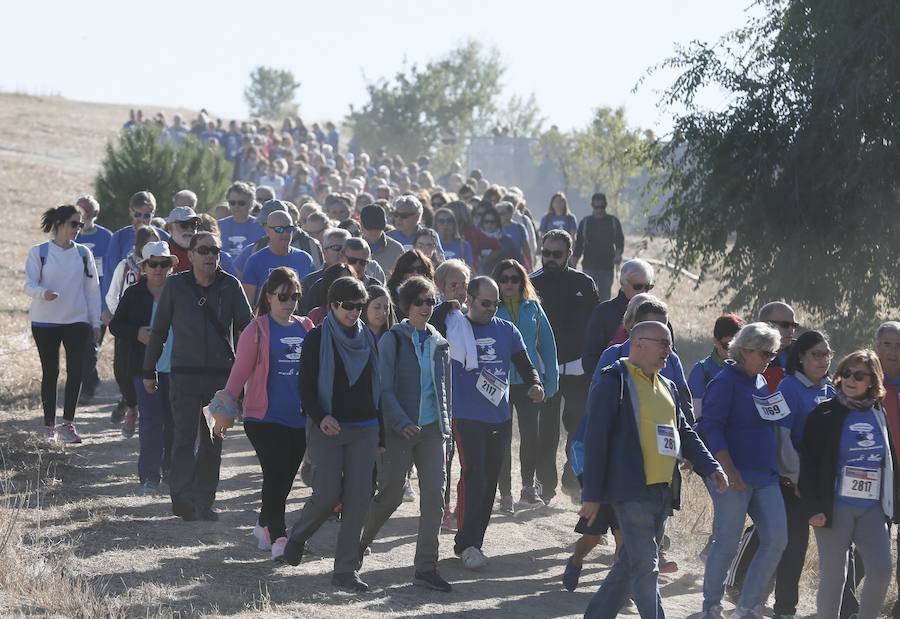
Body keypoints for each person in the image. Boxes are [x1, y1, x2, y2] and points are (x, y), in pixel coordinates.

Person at [579, 321, 726, 618]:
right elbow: (595, 442)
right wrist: (592, 494)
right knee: (647, 565)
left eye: (670, 345)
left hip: (662, 491)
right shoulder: (613, 382)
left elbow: (685, 432)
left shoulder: (667, 385)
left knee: (629, 564)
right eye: (663, 344)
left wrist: (711, 466)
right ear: (638, 344)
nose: (669, 351)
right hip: (630, 490)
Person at [277, 277, 383, 594]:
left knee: (358, 500)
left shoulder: (369, 339)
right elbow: (306, 388)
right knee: (326, 494)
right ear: (333, 305)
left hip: (364, 429)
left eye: (359, 306)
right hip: (328, 427)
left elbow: (376, 389)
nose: (354, 312)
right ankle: (297, 536)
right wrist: (322, 417)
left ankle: (345, 571)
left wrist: (381, 436)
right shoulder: (316, 339)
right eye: (347, 306)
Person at [143, 232, 253, 521]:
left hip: (221, 379)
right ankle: (181, 498)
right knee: (183, 436)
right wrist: (148, 369)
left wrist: (250, 374)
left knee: (213, 440)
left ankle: (204, 501)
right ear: (189, 255)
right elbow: (159, 330)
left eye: (215, 250)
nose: (210, 255)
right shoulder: (176, 285)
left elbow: (249, 329)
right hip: (183, 375)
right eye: (203, 250)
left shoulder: (231, 286)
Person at [359, 276, 452, 592]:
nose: (426, 308)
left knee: (434, 499)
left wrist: (446, 427)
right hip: (400, 431)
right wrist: (399, 422)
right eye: (419, 302)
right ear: (407, 306)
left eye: (430, 302)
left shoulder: (440, 342)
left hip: (431, 431)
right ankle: (358, 545)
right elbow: (383, 389)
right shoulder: (393, 340)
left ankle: (426, 568)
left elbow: (443, 390)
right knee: (391, 496)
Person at [220, 267, 314, 560]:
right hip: (263, 418)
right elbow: (239, 373)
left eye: (295, 296)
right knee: (274, 474)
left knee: (285, 478)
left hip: (298, 417)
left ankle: (263, 523)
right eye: (283, 296)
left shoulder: (306, 326)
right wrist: (224, 408)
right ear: (269, 297)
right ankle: (279, 537)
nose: (289, 302)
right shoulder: (256, 329)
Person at [450, 277, 544, 569]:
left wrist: (535, 384)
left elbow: (525, 364)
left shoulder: (506, 330)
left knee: (489, 481)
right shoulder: (453, 328)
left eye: (496, 303)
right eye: (485, 303)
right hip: (465, 416)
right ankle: (465, 543)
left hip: (499, 417)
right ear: (469, 299)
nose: (492, 309)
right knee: (473, 475)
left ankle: (475, 541)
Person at [697, 322, 788, 619]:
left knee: (777, 538)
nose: (768, 360)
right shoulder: (725, 381)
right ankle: (711, 605)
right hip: (734, 476)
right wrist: (728, 467)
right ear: (744, 350)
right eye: (764, 353)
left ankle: (747, 606)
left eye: (772, 355)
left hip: (765, 475)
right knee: (726, 540)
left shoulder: (760, 381)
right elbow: (711, 426)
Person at [799, 350, 895, 619]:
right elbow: (808, 464)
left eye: (859, 375)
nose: (851, 379)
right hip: (833, 506)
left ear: (872, 381)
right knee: (834, 577)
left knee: (881, 570)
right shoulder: (825, 413)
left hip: (871, 508)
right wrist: (812, 507)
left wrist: (893, 504)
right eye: (847, 373)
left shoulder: (878, 413)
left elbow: (888, 460)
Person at [530, 230, 600, 502]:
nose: (549, 259)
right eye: (545, 253)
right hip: (546, 369)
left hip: (578, 369)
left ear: (569, 254)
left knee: (578, 427)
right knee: (546, 430)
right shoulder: (532, 283)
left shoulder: (585, 283)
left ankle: (572, 479)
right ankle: (545, 486)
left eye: (556, 254)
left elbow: (595, 325)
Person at [771, 330, 836, 619]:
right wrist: (798, 481)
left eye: (827, 354)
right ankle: (784, 610)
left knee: (838, 550)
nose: (823, 360)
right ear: (801, 357)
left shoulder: (831, 389)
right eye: (816, 355)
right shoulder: (788, 388)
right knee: (793, 549)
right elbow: (782, 440)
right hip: (793, 484)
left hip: (824, 485)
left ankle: (841, 610)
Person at [25, 205, 101, 443]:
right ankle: (50, 427)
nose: (77, 229)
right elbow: (28, 284)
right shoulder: (39, 252)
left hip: (76, 321)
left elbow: (92, 290)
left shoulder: (83, 254)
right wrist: (42, 293)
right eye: (73, 224)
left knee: (76, 371)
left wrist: (95, 322)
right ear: (59, 224)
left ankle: (69, 424)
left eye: (80, 224)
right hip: (44, 321)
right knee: (51, 372)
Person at [108, 242, 178, 491]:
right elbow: (115, 326)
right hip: (143, 367)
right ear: (144, 266)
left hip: (177, 367)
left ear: (171, 266)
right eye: (154, 264)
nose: (159, 269)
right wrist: (137, 332)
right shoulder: (134, 293)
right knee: (150, 422)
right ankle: (149, 475)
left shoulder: (181, 291)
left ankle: (171, 470)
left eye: (165, 264)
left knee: (174, 423)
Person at [492, 259, 559, 513]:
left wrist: (550, 382)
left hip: (530, 382)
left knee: (531, 436)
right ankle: (505, 493)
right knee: (503, 439)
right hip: (498, 382)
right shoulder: (489, 307)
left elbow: (548, 346)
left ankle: (528, 487)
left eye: (515, 279)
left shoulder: (533, 308)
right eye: (504, 278)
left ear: (522, 281)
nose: (509, 283)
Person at [583, 259, 657, 375]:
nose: (643, 291)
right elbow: (590, 359)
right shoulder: (604, 313)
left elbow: (670, 353)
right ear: (622, 283)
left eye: (648, 287)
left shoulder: (657, 314)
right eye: (638, 286)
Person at [74, 195, 113, 403]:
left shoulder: (107, 237)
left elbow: (112, 268)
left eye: (86, 212)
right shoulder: (72, 236)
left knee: (91, 344)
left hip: (99, 301)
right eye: (78, 211)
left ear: (95, 214)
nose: (81, 216)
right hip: (76, 301)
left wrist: (109, 303)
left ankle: (87, 388)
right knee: (79, 345)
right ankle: (92, 378)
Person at [874, 322, 900, 619]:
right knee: (870, 541)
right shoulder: (864, 378)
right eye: (887, 345)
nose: (893, 351)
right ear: (877, 345)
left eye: (899, 345)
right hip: (875, 473)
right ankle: (846, 604)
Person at [241, 208, 315, 307]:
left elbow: (310, 299)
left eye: (289, 229)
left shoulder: (305, 259)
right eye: (279, 229)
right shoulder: (255, 261)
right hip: (265, 320)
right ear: (267, 231)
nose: (285, 233)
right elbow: (248, 304)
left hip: (297, 319)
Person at [105, 191, 169, 293]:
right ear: (130, 211)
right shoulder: (119, 237)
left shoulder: (164, 237)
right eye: (138, 214)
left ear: (153, 214)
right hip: (126, 297)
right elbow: (110, 274)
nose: (142, 219)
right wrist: (107, 307)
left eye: (147, 216)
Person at [688, 314, 745, 418]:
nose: (733, 351)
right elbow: (696, 414)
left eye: (738, 346)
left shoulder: (749, 369)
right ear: (715, 341)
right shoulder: (701, 370)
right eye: (727, 346)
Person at [570, 192, 624, 302]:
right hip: (589, 266)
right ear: (592, 205)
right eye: (596, 206)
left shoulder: (613, 221)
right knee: (588, 297)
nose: (599, 209)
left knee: (604, 299)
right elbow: (579, 244)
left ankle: (603, 318)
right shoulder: (585, 222)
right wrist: (573, 263)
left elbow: (620, 241)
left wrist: (618, 255)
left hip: (607, 267)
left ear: (605, 205)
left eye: (601, 207)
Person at [758, 301, 799, 392]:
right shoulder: (749, 355)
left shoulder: (802, 351)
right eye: (785, 325)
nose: (791, 330)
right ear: (765, 325)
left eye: (794, 325)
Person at [217, 181, 265, 258]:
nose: (236, 207)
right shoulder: (218, 226)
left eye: (241, 203)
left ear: (252, 204)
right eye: (232, 203)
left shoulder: (262, 226)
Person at [386, 250, 434, 320]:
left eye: (420, 269)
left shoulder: (431, 295)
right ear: (401, 271)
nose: (415, 273)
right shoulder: (389, 293)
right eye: (410, 270)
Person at [360, 203, 404, 277]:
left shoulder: (396, 249)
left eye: (378, 227)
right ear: (361, 224)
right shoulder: (351, 247)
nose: (374, 232)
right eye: (369, 227)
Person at [165, 205, 201, 271]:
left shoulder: (205, 252)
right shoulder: (160, 254)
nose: (190, 229)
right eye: (184, 224)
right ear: (170, 227)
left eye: (194, 225)